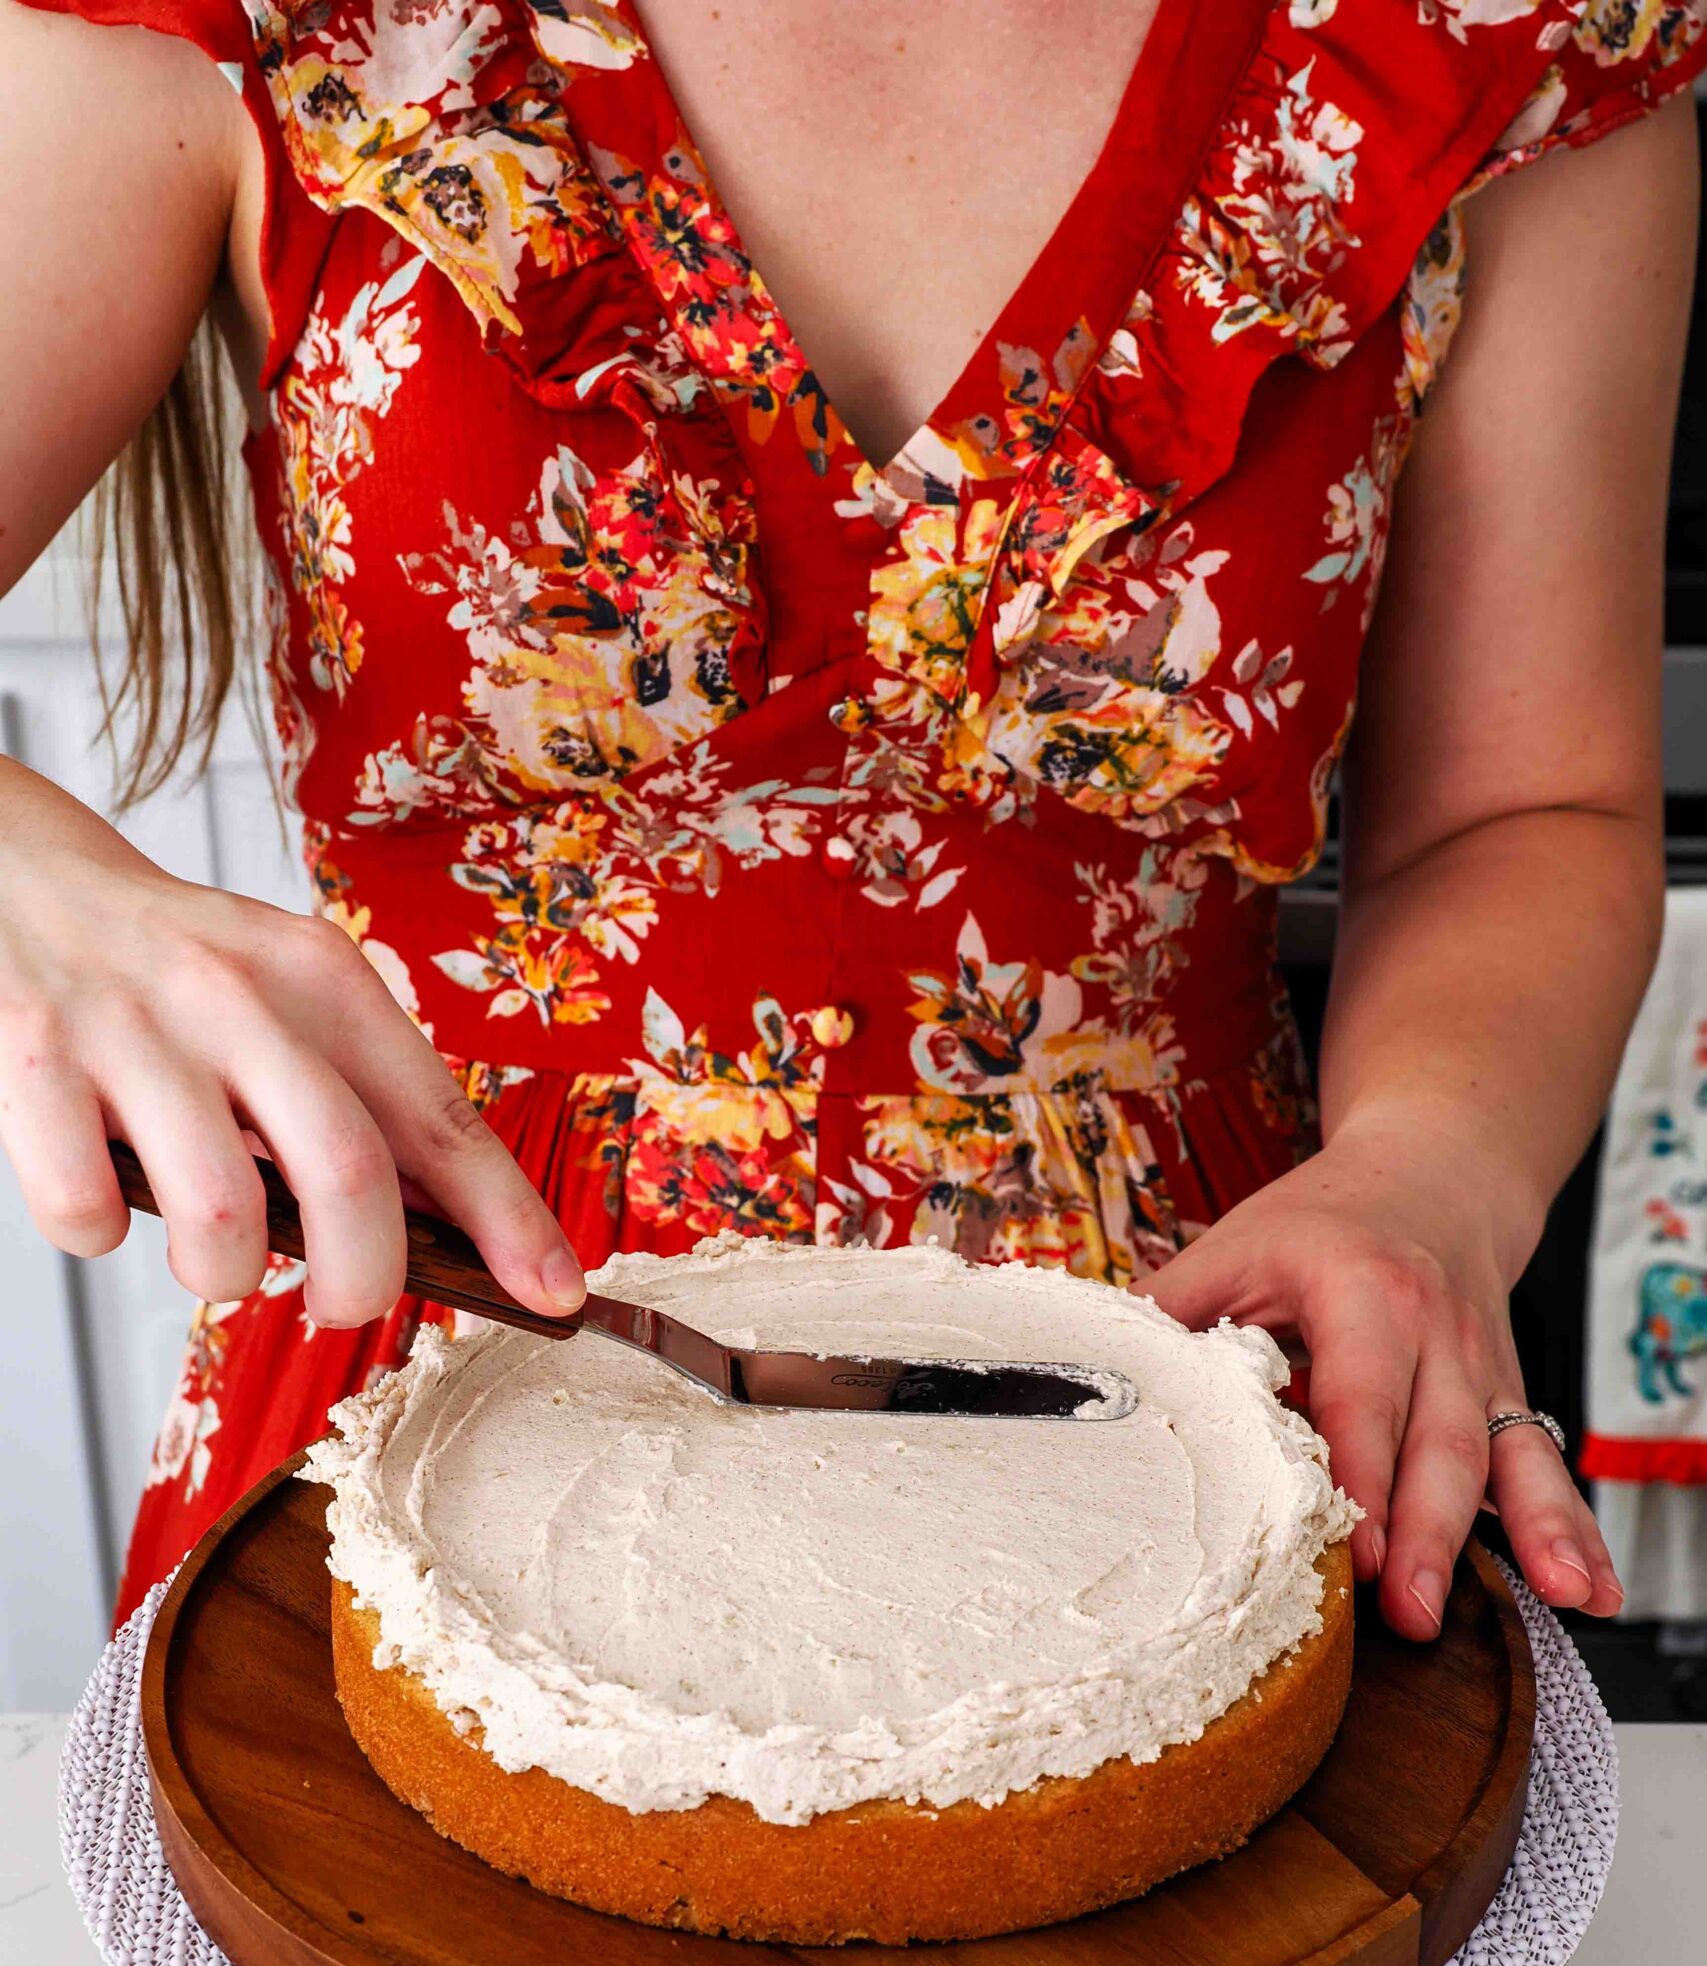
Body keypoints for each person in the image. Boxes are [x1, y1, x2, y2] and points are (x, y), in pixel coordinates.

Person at [0, 0, 1697, 1639]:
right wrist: (37, 882)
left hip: (1187, 1370)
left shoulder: (1495, 30)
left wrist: (1432, 1177)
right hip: (440, 1324)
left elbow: (1523, 804)